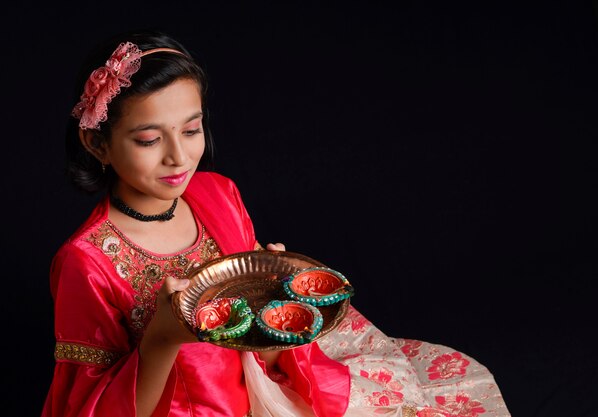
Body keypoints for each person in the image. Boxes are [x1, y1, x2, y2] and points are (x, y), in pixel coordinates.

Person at [42, 30, 511, 417]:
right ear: (97, 143)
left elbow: (259, 356)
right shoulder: (87, 261)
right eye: (148, 139)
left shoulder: (216, 194)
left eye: (191, 130)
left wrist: (272, 302)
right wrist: (163, 338)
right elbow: (91, 408)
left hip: (261, 393)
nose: (179, 157)